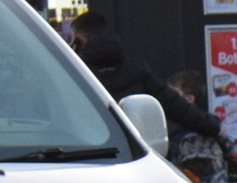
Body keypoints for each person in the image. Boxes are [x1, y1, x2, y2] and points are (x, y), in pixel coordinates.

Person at [70, 12, 220, 140]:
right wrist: (213, 127)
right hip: (136, 156)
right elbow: (174, 105)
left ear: (79, 39)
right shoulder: (136, 69)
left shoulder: (73, 74)